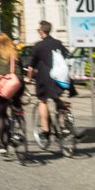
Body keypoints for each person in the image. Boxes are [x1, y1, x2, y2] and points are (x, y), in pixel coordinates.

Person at [26, 20, 68, 149]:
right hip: (59, 77)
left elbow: (31, 66)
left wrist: (28, 79)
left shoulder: (38, 46)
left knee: (42, 102)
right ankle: (66, 124)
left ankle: (46, 131)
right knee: (57, 98)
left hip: (44, 78)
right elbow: (65, 55)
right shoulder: (58, 43)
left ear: (41, 31)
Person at [0, 33, 25, 157]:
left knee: (1, 114)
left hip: (1, 87)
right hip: (16, 85)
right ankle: (19, 120)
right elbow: (21, 68)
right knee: (16, 102)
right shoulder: (16, 54)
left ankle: (2, 144)